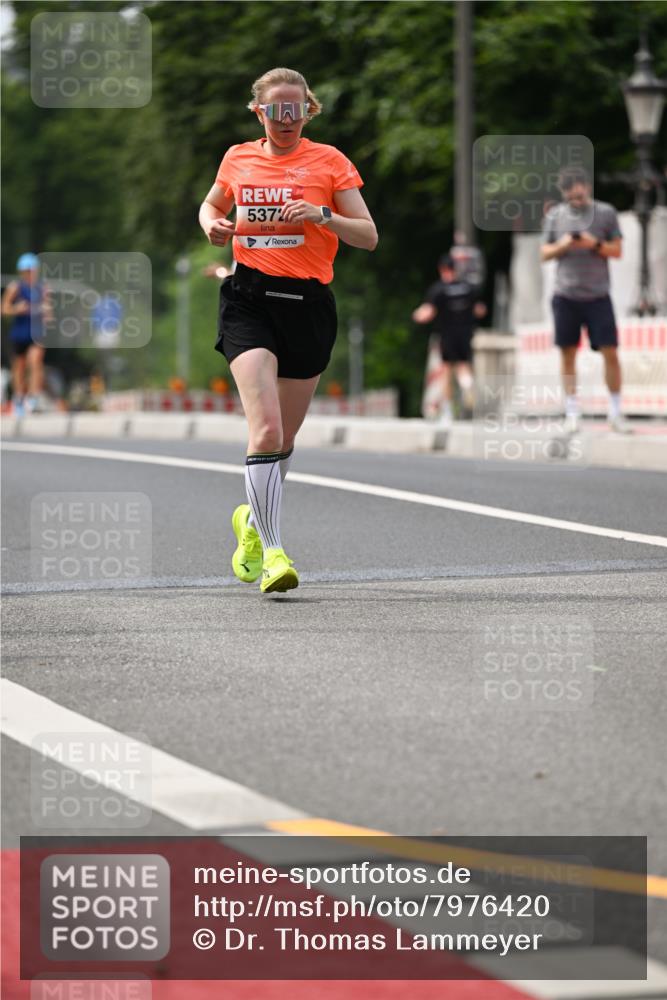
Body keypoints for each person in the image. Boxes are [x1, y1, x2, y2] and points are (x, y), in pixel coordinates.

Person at [198, 67, 377, 594]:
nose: (286, 119)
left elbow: (368, 236)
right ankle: (274, 552)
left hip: (308, 306)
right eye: (276, 110)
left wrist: (322, 215)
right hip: (248, 301)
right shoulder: (238, 157)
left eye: (295, 109)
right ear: (260, 112)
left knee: (286, 440)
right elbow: (213, 204)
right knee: (267, 432)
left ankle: (251, 524)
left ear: (308, 111)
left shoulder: (331, 161)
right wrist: (211, 223)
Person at [541, 166, 629, 434]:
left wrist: (594, 244)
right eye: (570, 196)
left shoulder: (606, 213)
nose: (576, 200)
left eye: (579, 195)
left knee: (610, 351)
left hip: (598, 295)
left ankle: (615, 411)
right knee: (567, 353)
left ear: (588, 188)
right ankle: (571, 412)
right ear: (563, 193)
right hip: (565, 295)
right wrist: (564, 244)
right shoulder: (555, 216)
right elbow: (544, 253)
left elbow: (617, 251)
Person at [413, 254, 486, 425]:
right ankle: (468, 387)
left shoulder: (439, 290)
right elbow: (480, 311)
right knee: (463, 367)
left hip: (447, 334)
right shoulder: (468, 288)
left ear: (442, 270)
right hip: (466, 333)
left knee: (446, 370)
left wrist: (416, 316)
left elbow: (427, 313)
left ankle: (447, 411)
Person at [1, 253, 51, 416]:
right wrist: (16, 309)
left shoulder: (42, 288)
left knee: (35, 362)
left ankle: (34, 398)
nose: (29, 273)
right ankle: (19, 397)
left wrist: (47, 315)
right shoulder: (15, 287)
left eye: (31, 270)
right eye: (26, 271)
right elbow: (4, 308)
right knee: (19, 367)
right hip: (19, 332)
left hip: (36, 333)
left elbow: (48, 309)